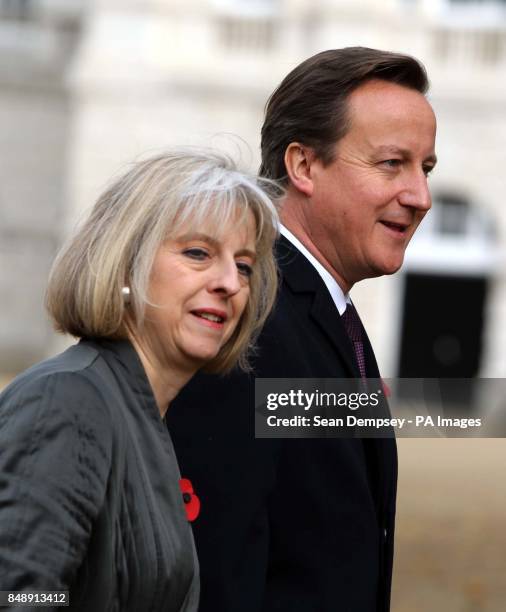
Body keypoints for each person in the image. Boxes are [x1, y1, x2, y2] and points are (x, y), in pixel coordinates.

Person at [167, 47, 437, 612]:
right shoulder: (248, 317)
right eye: (392, 164)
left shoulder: (319, 308)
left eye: (425, 168)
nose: (420, 197)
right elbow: (215, 563)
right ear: (304, 166)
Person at [0, 149, 280, 611]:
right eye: (198, 253)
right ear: (127, 262)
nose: (230, 281)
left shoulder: (144, 414)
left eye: (244, 265)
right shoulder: (68, 401)